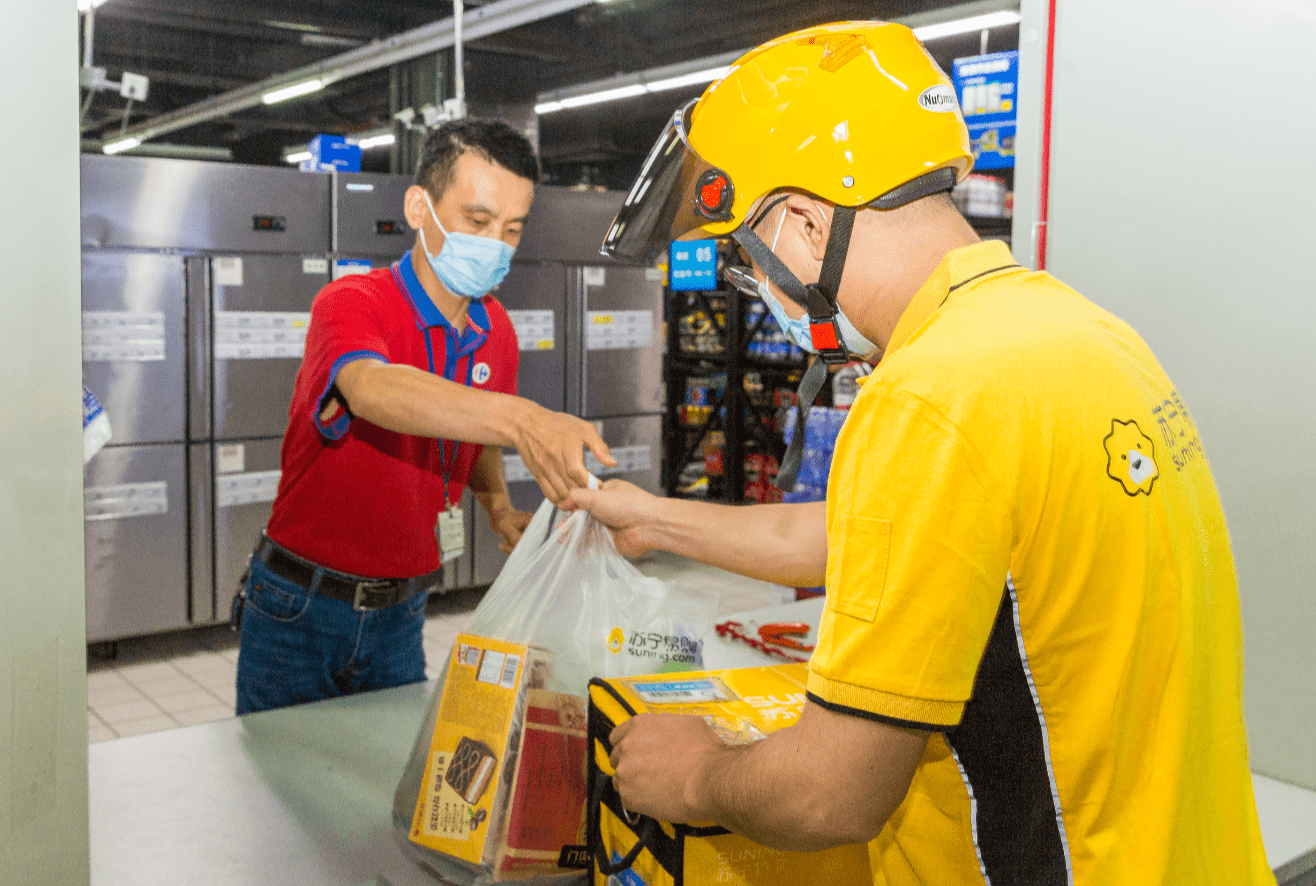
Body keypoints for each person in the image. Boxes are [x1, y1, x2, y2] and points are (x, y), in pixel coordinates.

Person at [569, 21, 1275, 884]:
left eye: (743, 260)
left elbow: (834, 794)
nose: (753, 286)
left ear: (799, 222)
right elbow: (884, 544)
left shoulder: (931, 393)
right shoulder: (1078, 334)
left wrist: (693, 772)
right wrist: (654, 518)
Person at [233, 118, 615, 715]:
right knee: (279, 795)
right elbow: (372, 389)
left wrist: (496, 505)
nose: (496, 244)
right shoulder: (352, 302)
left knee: (383, 790)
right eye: (477, 221)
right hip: (300, 606)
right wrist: (522, 418)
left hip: (405, 610)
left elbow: (476, 432)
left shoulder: (497, 333)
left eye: (512, 230)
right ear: (419, 207)